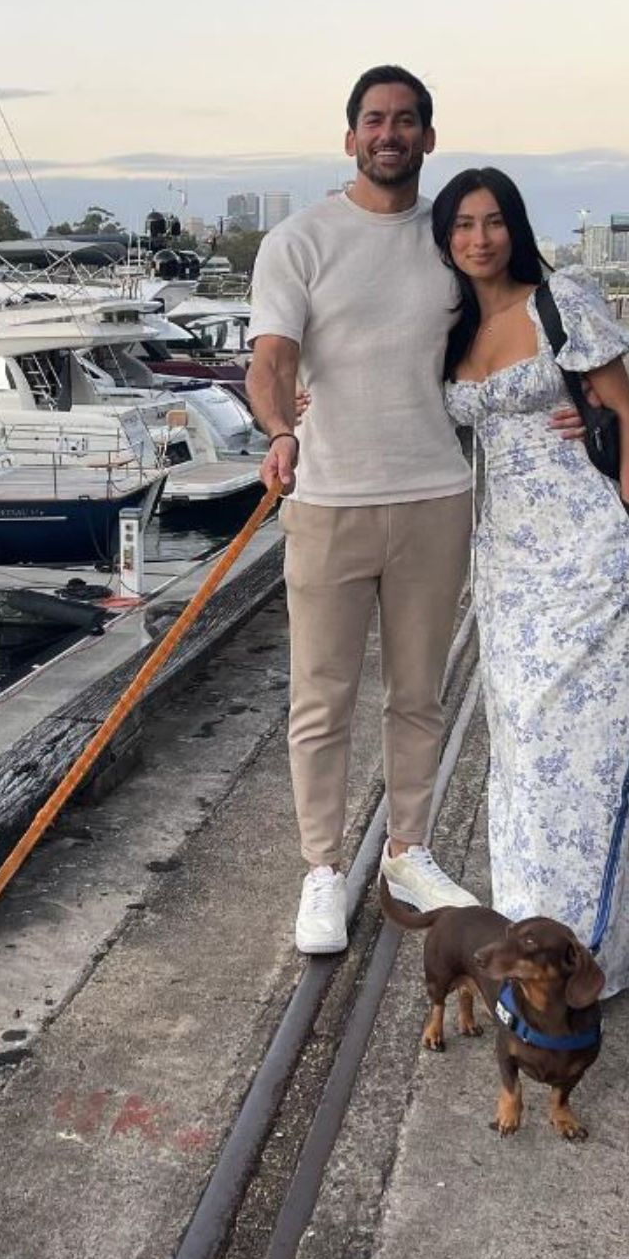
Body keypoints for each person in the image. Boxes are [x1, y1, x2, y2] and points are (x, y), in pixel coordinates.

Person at [246, 64, 479, 955]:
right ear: (350, 138)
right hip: (329, 498)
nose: (390, 133)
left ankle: (409, 852)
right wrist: (277, 431)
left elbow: (508, 336)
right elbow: (271, 360)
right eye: (374, 120)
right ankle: (321, 869)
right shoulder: (300, 240)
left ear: (428, 136)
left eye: (407, 120)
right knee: (322, 698)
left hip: (435, 495)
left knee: (417, 693)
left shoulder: (454, 238)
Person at [432, 166, 629, 996]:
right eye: (462, 225)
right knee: (519, 755)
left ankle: (591, 957)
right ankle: (526, 940)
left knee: (586, 752)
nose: (480, 239)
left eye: (493, 221)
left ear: (515, 225)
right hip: (507, 562)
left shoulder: (564, 301)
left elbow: (627, 409)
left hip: (588, 550)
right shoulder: (448, 329)